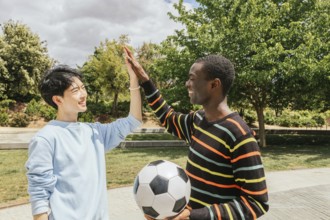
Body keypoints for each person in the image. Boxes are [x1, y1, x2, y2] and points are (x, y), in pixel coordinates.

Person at [125, 47, 269, 220]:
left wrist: (194, 216)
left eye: (192, 78)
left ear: (214, 85)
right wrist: (145, 80)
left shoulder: (239, 135)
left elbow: (256, 203)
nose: (187, 83)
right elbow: (169, 118)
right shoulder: (198, 120)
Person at [25, 49, 142, 220]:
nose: (83, 94)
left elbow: (134, 120)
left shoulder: (95, 132)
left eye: (83, 88)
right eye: (75, 90)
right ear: (58, 100)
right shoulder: (45, 139)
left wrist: (133, 79)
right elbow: (39, 196)